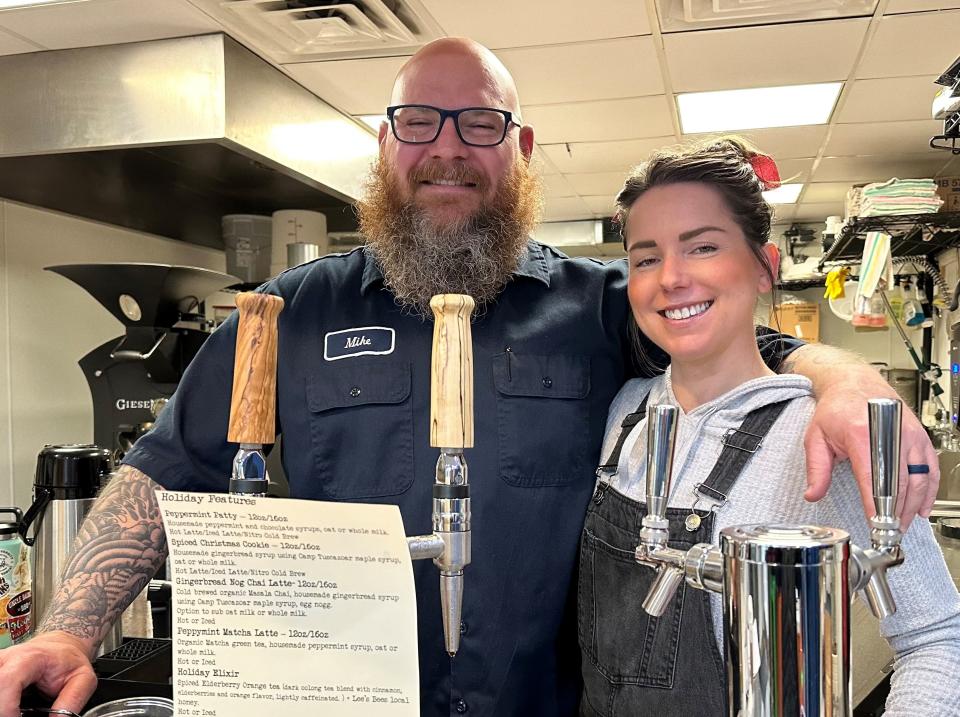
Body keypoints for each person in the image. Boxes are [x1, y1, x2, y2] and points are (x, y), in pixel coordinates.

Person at [0, 38, 940, 717]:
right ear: (386, 144)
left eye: (480, 121)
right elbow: (163, 471)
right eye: (420, 121)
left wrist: (842, 375)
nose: (447, 146)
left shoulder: (600, 305)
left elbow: (732, 349)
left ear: (519, 151)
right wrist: (68, 629)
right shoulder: (289, 313)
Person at [578, 137, 960, 716]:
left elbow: (937, 639)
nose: (672, 278)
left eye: (702, 246)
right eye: (646, 258)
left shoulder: (825, 432)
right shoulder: (624, 411)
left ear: (765, 267)